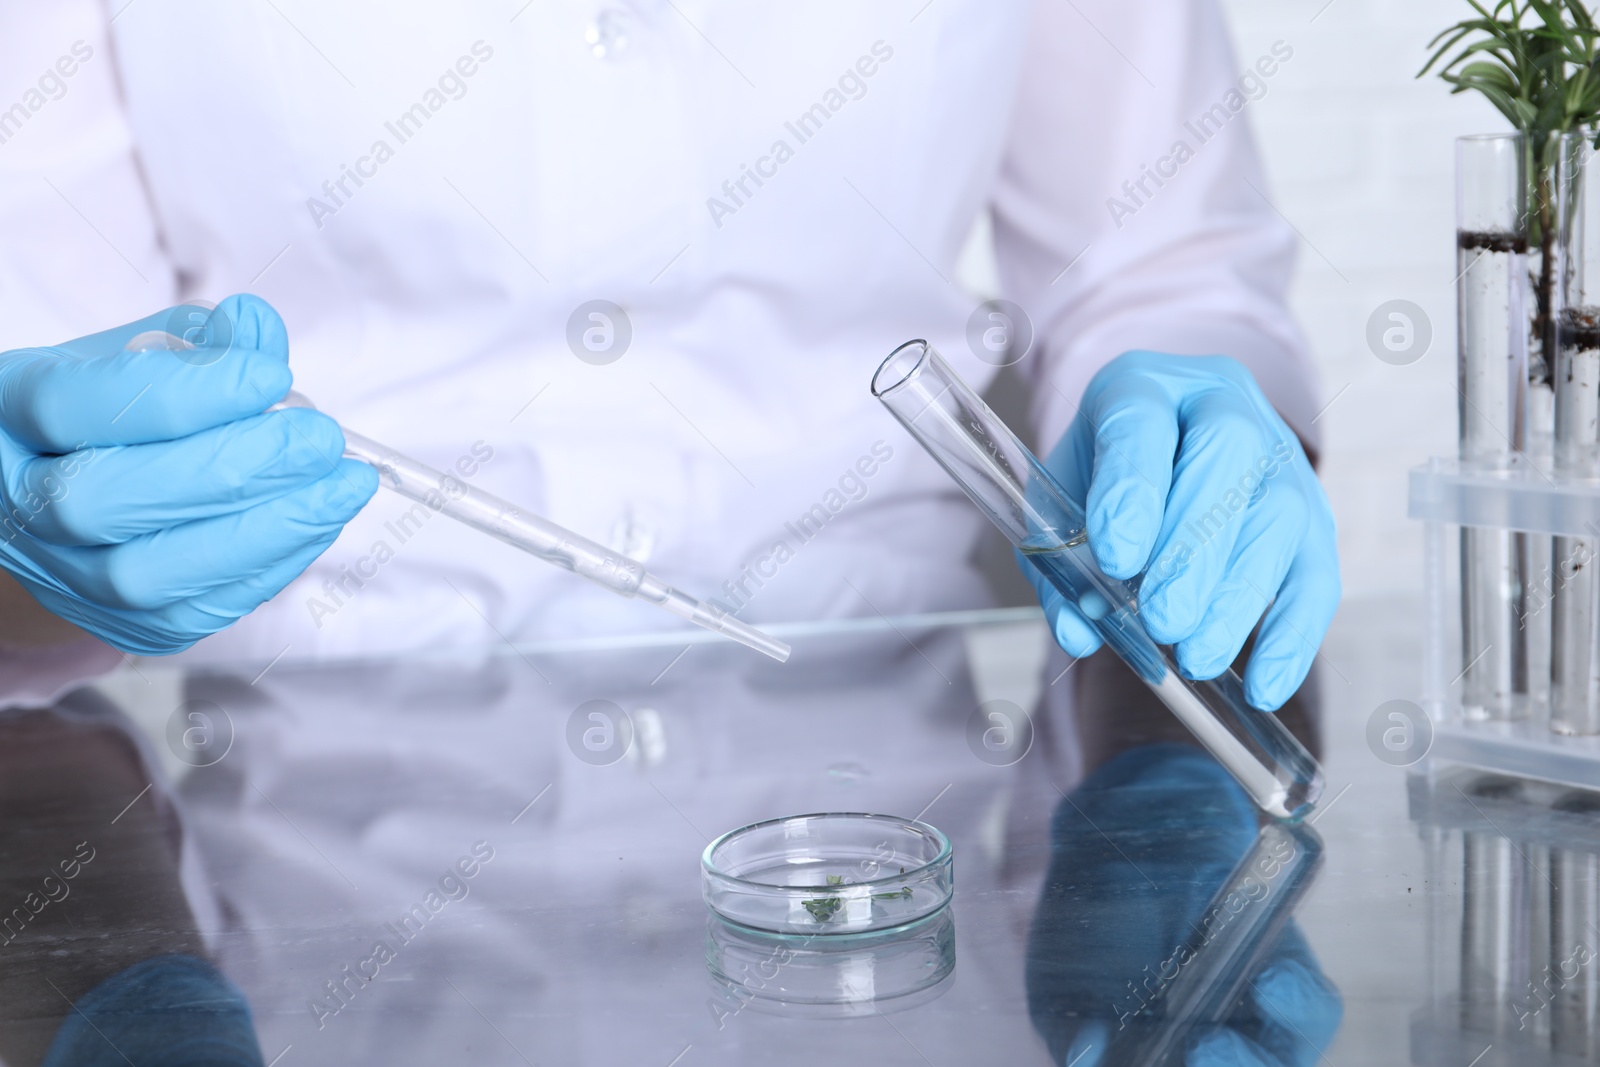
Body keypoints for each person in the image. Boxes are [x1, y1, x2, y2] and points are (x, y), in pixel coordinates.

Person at [0, 0, 1336, 713]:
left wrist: (1185, 404)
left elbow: (1158, 259)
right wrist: (33, 528)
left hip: (889, 769)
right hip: (312, 826)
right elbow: (50, 372)